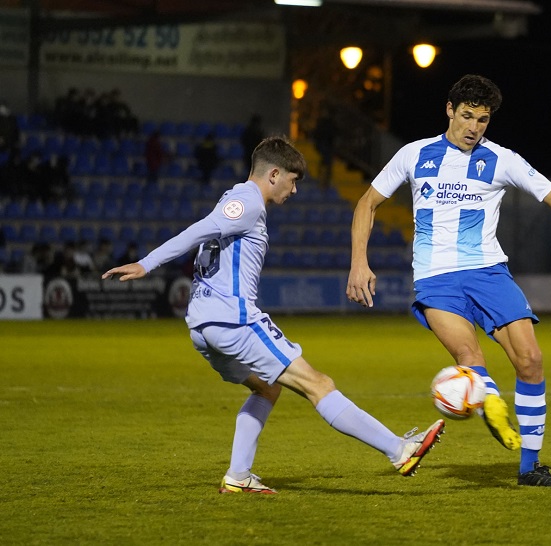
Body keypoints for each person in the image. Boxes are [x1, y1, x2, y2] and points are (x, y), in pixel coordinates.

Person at [346, 74, 551, 488]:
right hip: (436, 279)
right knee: (471, 358)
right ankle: (490, 403)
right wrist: (359, 262)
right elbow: (368, 202)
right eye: (467, 116)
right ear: (449, 110)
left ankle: (529, 468)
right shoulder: (414, 155)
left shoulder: (502, 159)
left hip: (489, 272)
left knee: (531, 360)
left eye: (483, 120)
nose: (473, 128)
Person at [102, 135, 444, 494]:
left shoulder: (234, 198)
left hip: (203, 325)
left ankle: (238, 475)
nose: (294, 191)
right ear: (274, 174)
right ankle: (400, 450)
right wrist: (146, 263)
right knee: (319, 384)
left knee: (267, 389)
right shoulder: (247, 201)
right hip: (233, 320)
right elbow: (198, 230)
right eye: (293, 181)